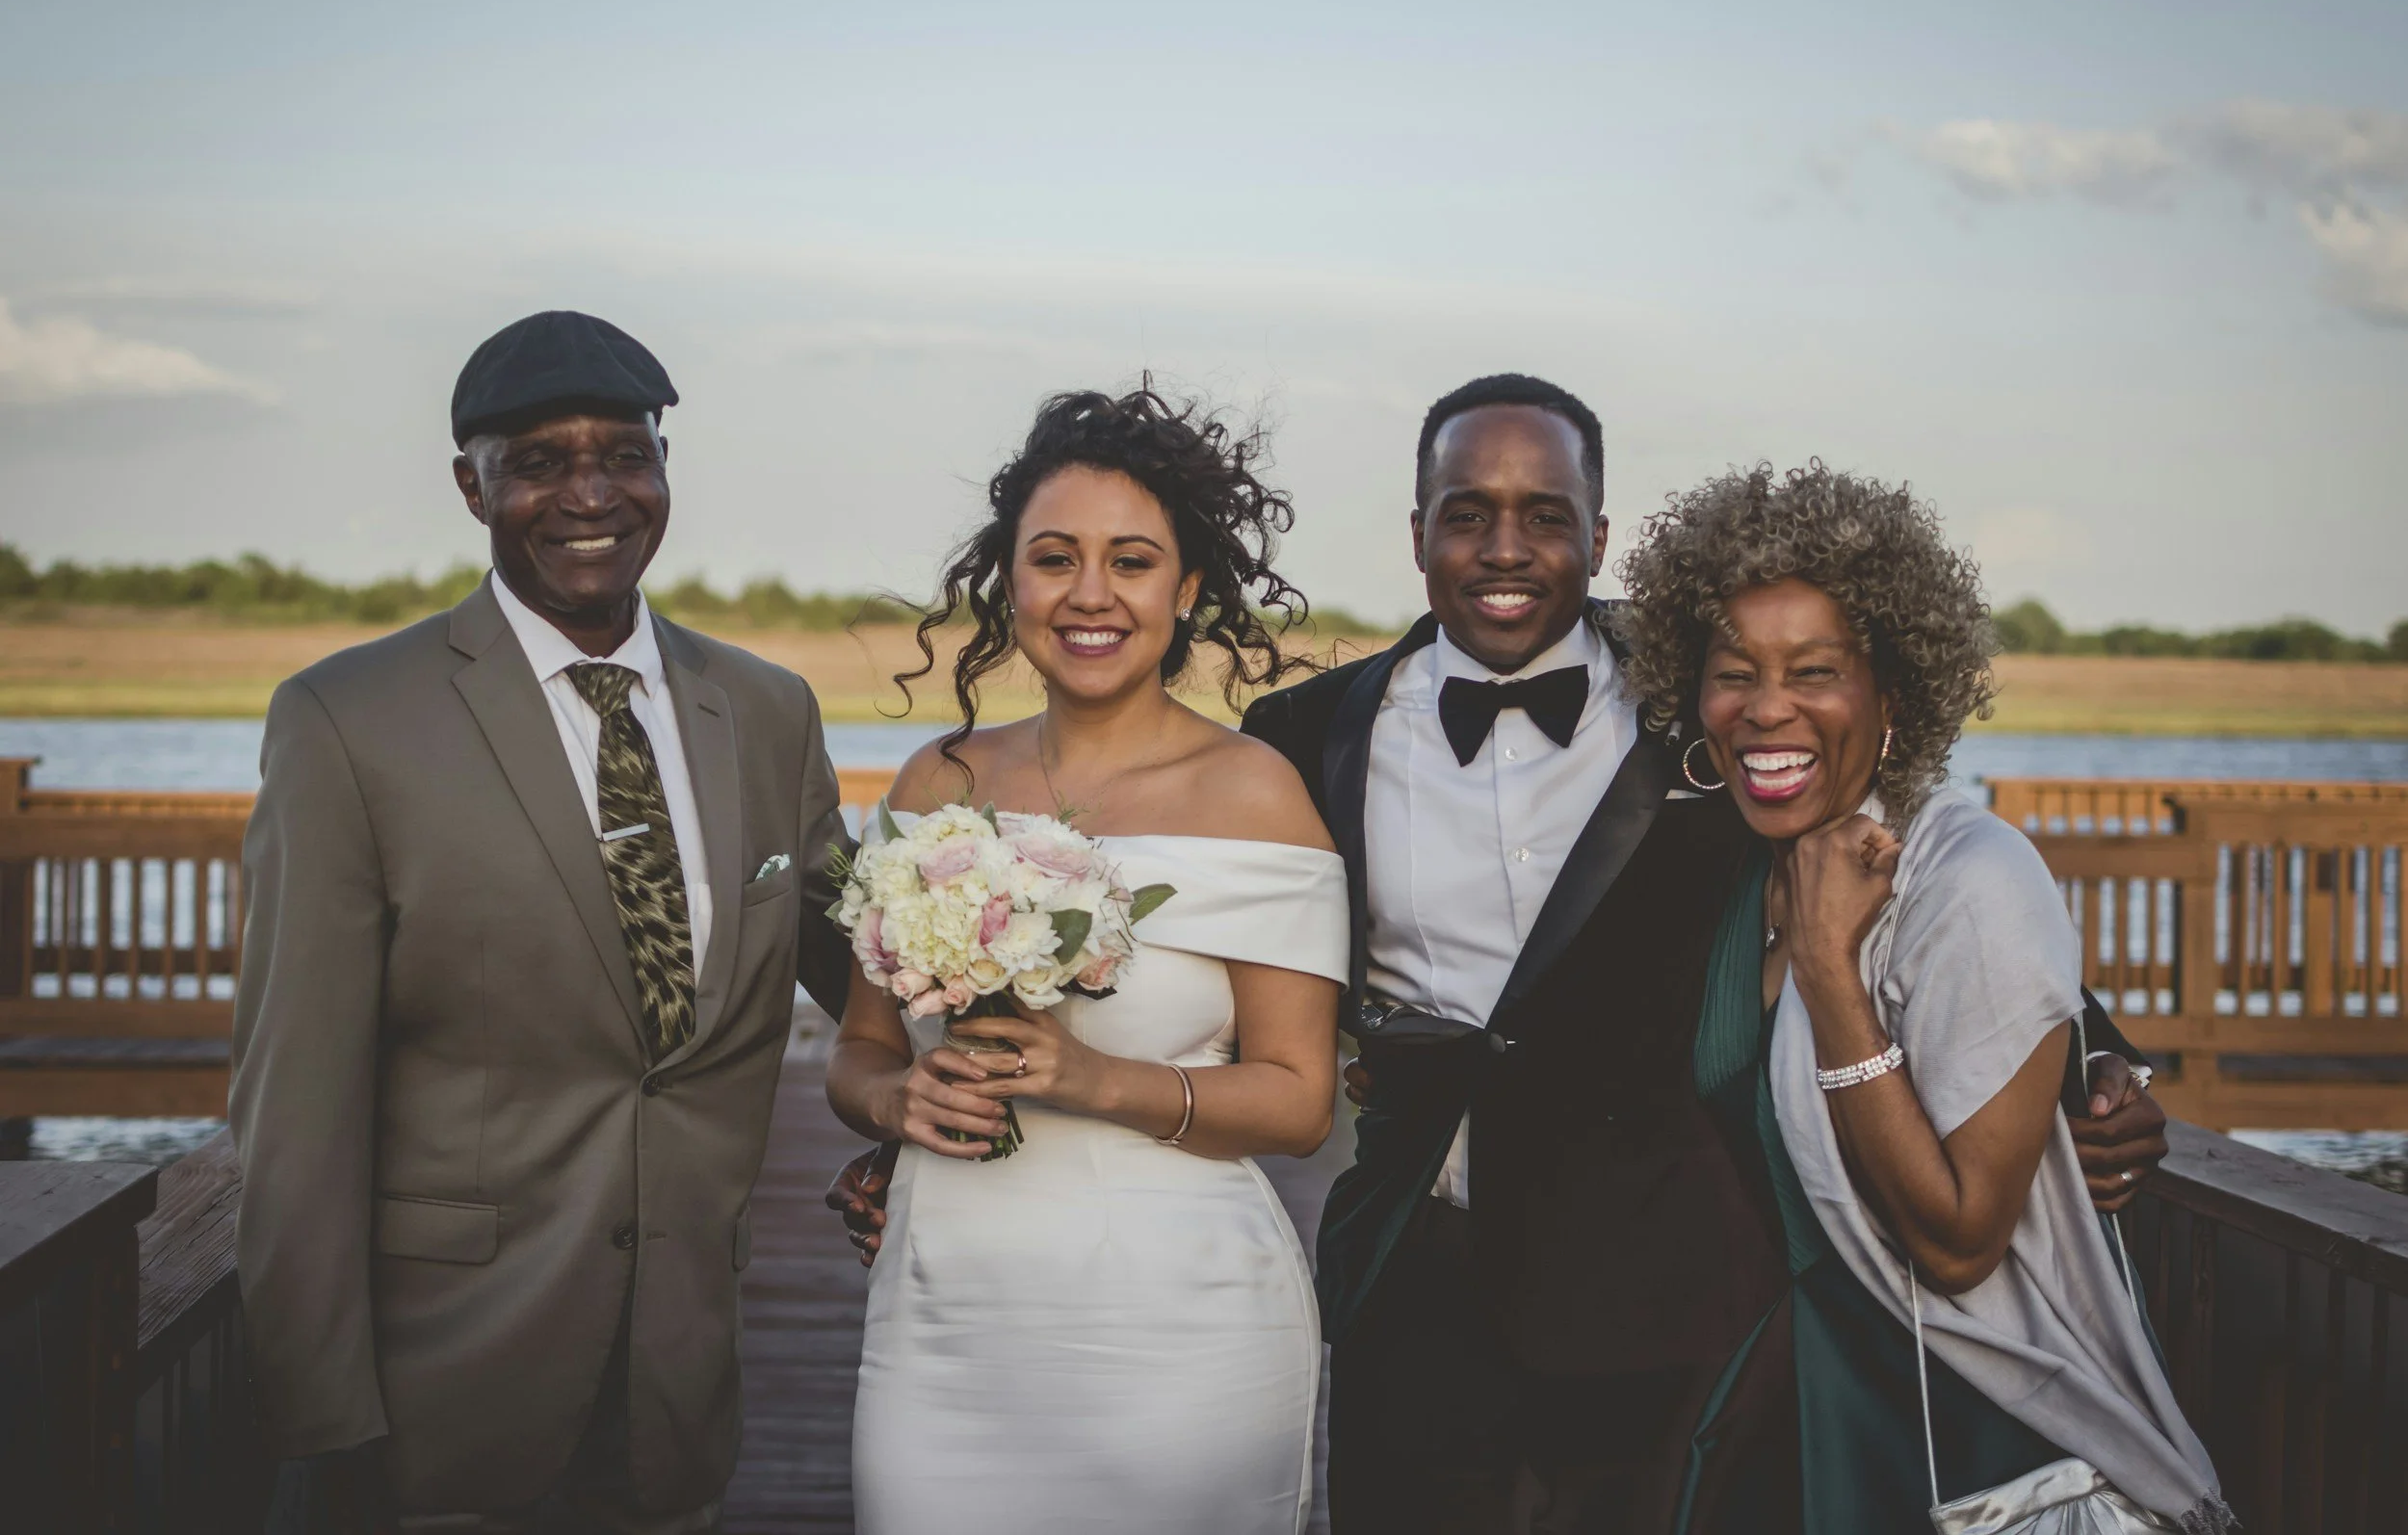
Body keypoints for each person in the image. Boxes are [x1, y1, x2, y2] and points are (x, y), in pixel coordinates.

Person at [831, 375, 2171, 1532]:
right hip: (1414, 1259)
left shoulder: (1708, 695)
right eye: (1467, 511)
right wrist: (910, 1127)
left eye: (1544, 513)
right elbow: (1135, 888)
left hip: (1669, 1279)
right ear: (1419, 533)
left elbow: (1902, 845)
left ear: (1601, 529)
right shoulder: (1306, 737)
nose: (1504, 545)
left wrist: (2085, 1057)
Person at [231, 311, 856, 1533]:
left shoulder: (768, 709)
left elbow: (864, 971)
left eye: (625, 454)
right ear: (472, 486)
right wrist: (322, 1412)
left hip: (681, 1385)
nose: (591, 493)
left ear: (665, 470)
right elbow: (293, 1100)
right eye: (539, 461)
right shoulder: (348, 720)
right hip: (442, 1391)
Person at [1614, 462, 2229, 1533]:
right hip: (1791, 1412)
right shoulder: (1733, 868)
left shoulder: (1970, 874)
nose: (1766, 707)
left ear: (1891, 692)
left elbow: (1957, 1243)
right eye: (1733, 671)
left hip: (1978, 1442)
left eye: (1813, 669)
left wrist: (1828, 970)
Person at [826, 388, 1348, 1535]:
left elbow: (1300, 1098)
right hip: (943, 1316)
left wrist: (1089, 1079)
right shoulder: (933, 786)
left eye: (1132, 559)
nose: (1091, 593)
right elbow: (859, 1051)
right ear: (1011, 583)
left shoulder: (1255, 794)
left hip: (1181, 1332)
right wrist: (895, 1095)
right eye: (1054, 558)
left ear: (1189, 588)